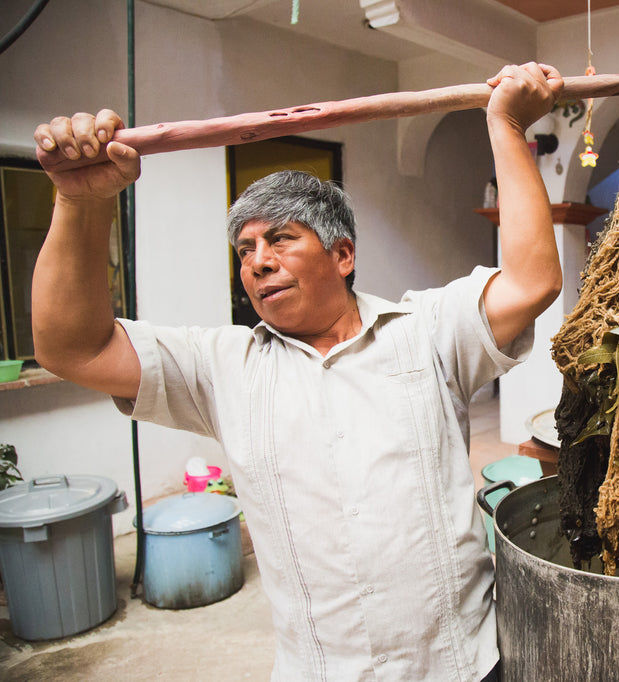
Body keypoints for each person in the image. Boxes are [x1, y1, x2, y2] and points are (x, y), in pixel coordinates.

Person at [32, 62, 564, 681]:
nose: (258, 263)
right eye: (245, 251)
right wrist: (79, 202)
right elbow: (74, 349)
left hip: (462, 665)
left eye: (280, 240)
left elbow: (532, 281)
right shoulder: (221, 367)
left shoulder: (427, 331)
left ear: (342, 256)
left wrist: (504, 124)